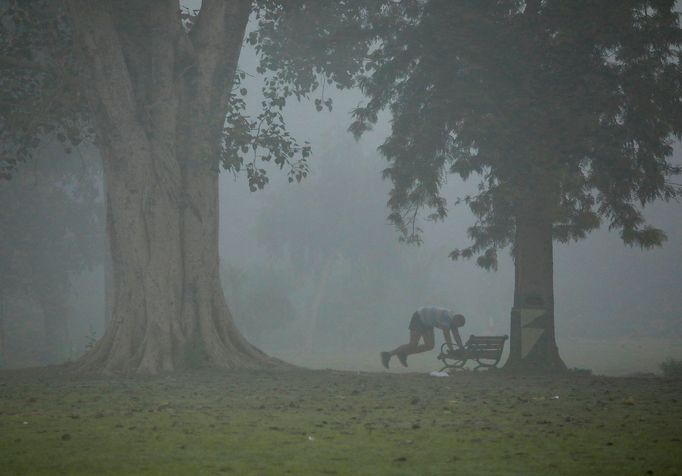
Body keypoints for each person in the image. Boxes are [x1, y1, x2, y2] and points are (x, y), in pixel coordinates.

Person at [380, 306, 465, 369]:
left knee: (430, 345)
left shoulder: (454, 319)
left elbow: (456, 335)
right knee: (412, 344)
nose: (455, 327)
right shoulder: (446, 318)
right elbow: (447, 335)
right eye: (457, 325)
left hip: (428, 322)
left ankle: (404, 354)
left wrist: (461, 348)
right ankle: (387, 354)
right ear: (456, 320)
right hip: (419, 317)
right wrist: (451, 350)